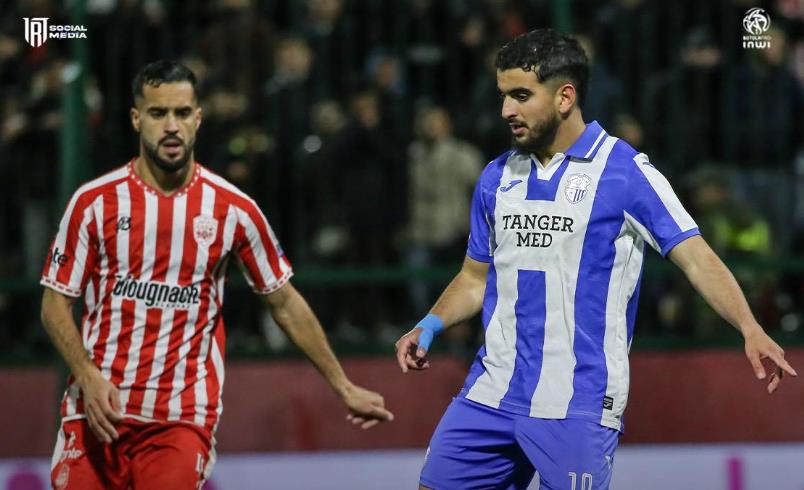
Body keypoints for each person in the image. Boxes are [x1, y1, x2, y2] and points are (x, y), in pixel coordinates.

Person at [394, 29, 795, 490]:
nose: (507, 110)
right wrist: (428, 325)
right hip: (490, 393)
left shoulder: (626, 172)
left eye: (521, 96)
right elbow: (473, 278)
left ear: (565, 97)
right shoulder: (496, 177)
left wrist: (749, 326)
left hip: (577, 405)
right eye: (504, 96)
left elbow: (697, 258)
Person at [41, 60, 393, 490]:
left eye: (182, 113)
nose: (172, 126)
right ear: (137, 119)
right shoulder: (94, 203)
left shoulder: (235, 210)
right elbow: (54, 303)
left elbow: (284, 301)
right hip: (94, 412)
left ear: (198, 118)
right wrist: (88, 375)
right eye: (158, 113)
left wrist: (343, 386)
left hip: (179, 422)